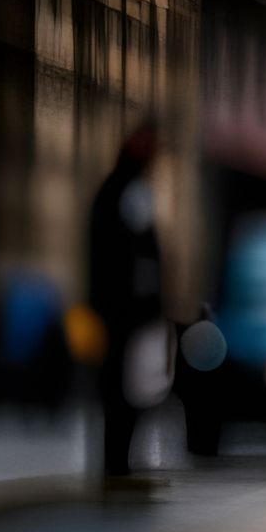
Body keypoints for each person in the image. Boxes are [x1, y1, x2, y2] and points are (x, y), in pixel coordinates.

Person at [89, 124, 165, 477]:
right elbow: (140, 258)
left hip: (117, 307)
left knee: (121, 385)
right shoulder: (128, 190)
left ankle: (116, 460)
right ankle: (117, 461)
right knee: (128, 386)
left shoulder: (117, 189)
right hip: (128, 310)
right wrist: (150, 303)